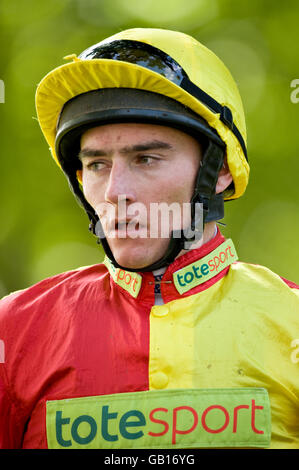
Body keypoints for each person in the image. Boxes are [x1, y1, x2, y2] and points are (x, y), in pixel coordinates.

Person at [0, 27, 298, 450]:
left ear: (220, 171)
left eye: (146, 158)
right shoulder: (12, 331)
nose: (115, 190)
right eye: (98, 164)